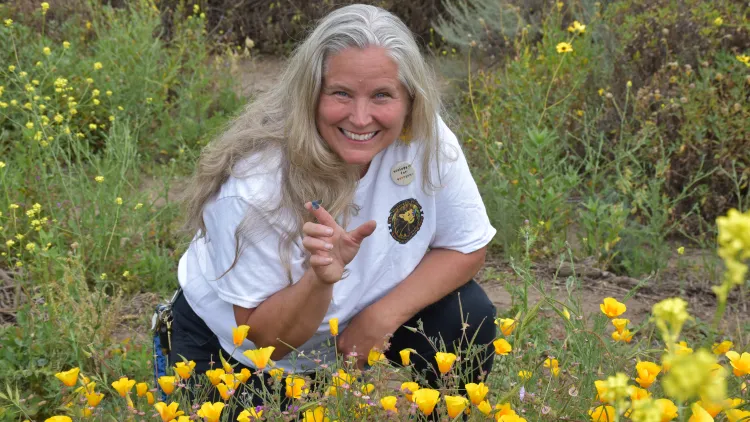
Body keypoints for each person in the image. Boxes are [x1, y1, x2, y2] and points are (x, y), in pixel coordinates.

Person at [171, 2, 497, 411]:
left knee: (468, 316)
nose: (361, 118)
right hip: (240, 355)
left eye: (382, 95)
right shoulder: (254, 183)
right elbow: (265, 339)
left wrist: (380, 318)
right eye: (341, 93)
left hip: (353, 331)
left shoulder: (426, 140)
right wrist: (320, 279)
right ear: (310, 95)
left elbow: (466, 245)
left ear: (411, 100)